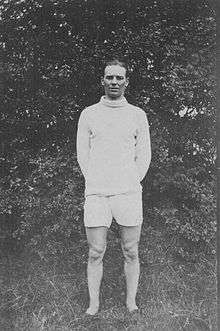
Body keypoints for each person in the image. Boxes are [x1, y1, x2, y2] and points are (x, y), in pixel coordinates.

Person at [76, 59, 151, 315]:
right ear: (103, 81)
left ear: (126, 82)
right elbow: (82, 155)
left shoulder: (137, 115)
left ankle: (131, 301)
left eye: (120, 78)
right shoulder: (89, 114)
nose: (115, 82)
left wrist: (130, 181)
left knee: (131, 249)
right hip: (97, 193)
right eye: (110, 78)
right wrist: (96, 180)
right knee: (96, 251)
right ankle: (93, 304)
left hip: (128, 192)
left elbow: (144, 156)